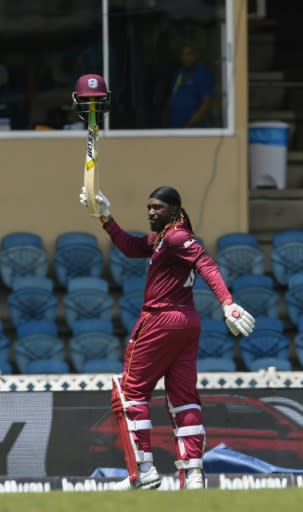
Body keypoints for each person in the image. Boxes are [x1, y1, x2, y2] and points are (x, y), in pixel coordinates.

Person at [80, 185, 255, 490]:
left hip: (160, 321)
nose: (151, 212)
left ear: (174, 210)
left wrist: (227, 302)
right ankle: (194, 475)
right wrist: (105, 217)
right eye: (149, 207)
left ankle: (143, 470)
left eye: (157, 208)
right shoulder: (166, 237)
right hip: (187, 323)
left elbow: (206, 264)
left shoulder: (175, 237)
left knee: (129, 392)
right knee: (184, 399)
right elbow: (132, 247)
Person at [168, 43, 214, 128]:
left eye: (189, 54)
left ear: (195, 55)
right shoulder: (179, 72)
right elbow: (174, 95)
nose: (185, 57)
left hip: (193, 128)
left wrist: (189, 124)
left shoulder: (202, 73)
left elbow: (206, 103)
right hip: (175, 126)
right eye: (183, 54)